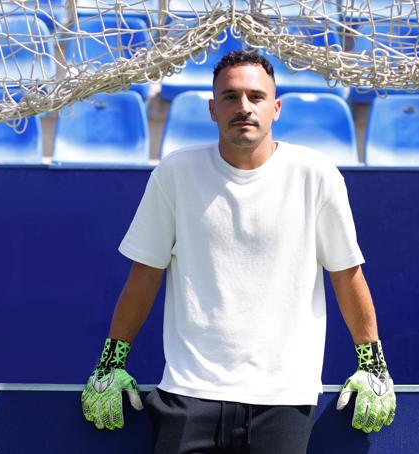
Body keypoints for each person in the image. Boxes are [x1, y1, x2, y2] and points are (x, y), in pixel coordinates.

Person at [81, 50, 396, 453]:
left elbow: (346, 274)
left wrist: (372, 364)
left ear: (276, 108)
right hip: (188, 392)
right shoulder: (175, 174)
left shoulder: (316, 175)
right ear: (213, 109)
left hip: (283, 399)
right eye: (230, 97)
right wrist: (112, 361)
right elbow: (144, 275)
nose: (243, 107)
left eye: (256, 96)